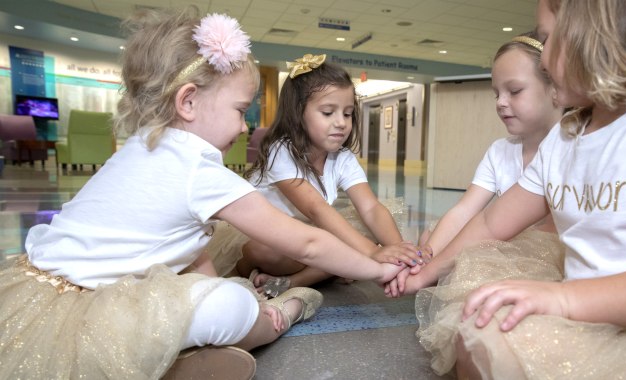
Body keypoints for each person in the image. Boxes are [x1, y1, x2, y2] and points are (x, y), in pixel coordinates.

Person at [0, 8, 403, 380]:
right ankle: (281, 314)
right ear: (188, 101)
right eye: (240, 111)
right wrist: (379, 270)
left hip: (43, 294)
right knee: (235, 308)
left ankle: (180, 354)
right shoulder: (199, 171)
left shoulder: (139, 146)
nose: (245, 128)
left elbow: (191, 247)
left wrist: (216, 285)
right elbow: (310, 242)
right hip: (105, 308)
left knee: (219, 295)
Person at [415, 0, 626, 378]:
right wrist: (428, 270)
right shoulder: (564, 137)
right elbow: (492, 223)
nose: (542, 58)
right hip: (589, 322)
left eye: (547, 39)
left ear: (598, 36)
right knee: (481, 333)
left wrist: (565, 298)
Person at [385, 30, 567, 374]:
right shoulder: (501, 151)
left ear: (555, 87)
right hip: (498, 243)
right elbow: (468, 209)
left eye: (514, 91)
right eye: (496, 93)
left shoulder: (568, 143)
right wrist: (424, 261)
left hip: (545, 257)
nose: (500, 102)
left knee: (474, 282)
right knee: (432, 240)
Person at [208, 54, 421, 297]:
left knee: (364, 230)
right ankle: (247, 272)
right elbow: (316, 209)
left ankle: (294, 281)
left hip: (312, 239)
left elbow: (371, 208)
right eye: (328, 112)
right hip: (273, 236)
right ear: (299, 113)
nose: (341, 122)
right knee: (266, 251)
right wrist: (373, 253)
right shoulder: (282, 151)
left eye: (348, 113)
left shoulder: (343, 158)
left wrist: (398, 252)